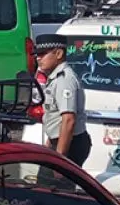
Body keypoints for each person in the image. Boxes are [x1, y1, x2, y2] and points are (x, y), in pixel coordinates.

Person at [34, 34, 91, 166]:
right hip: (60, 142)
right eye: (37, 54)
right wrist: (50, 142)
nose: (38, 58)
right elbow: (55, 118)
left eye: (43, 54)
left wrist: (60, 161)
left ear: (59, 54)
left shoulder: (64, 80)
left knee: (52, 184)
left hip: (69, 145)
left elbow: (69, 120)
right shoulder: (55, 77)